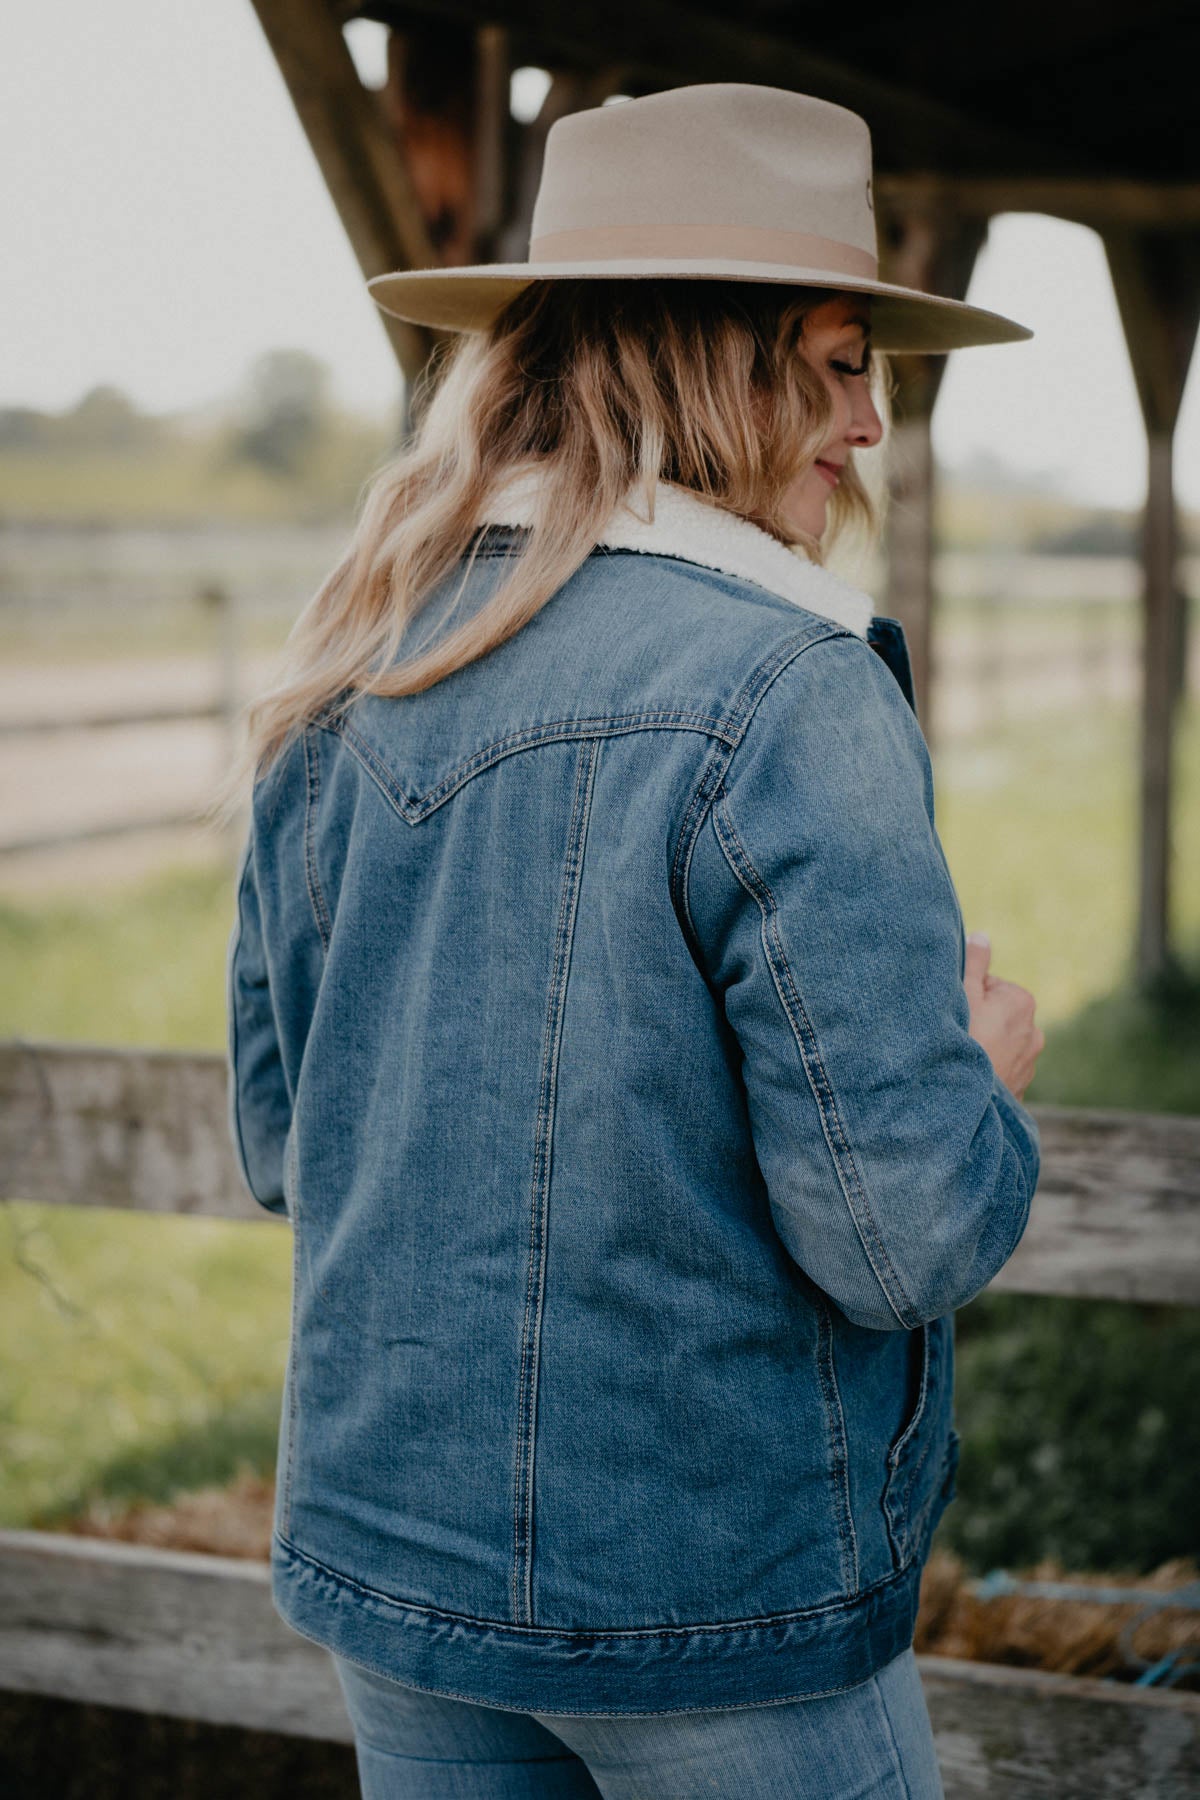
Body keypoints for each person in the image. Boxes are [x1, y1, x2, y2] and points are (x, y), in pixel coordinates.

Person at [226, 82, 1044, 1799]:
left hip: (400, 1582)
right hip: (719, 1597)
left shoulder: (350, 670)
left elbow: (293, 1148)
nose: (869, 425)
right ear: (714, 362)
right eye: (837, 360)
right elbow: (897, 1237)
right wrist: (979, 1086)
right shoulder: (792, 692)